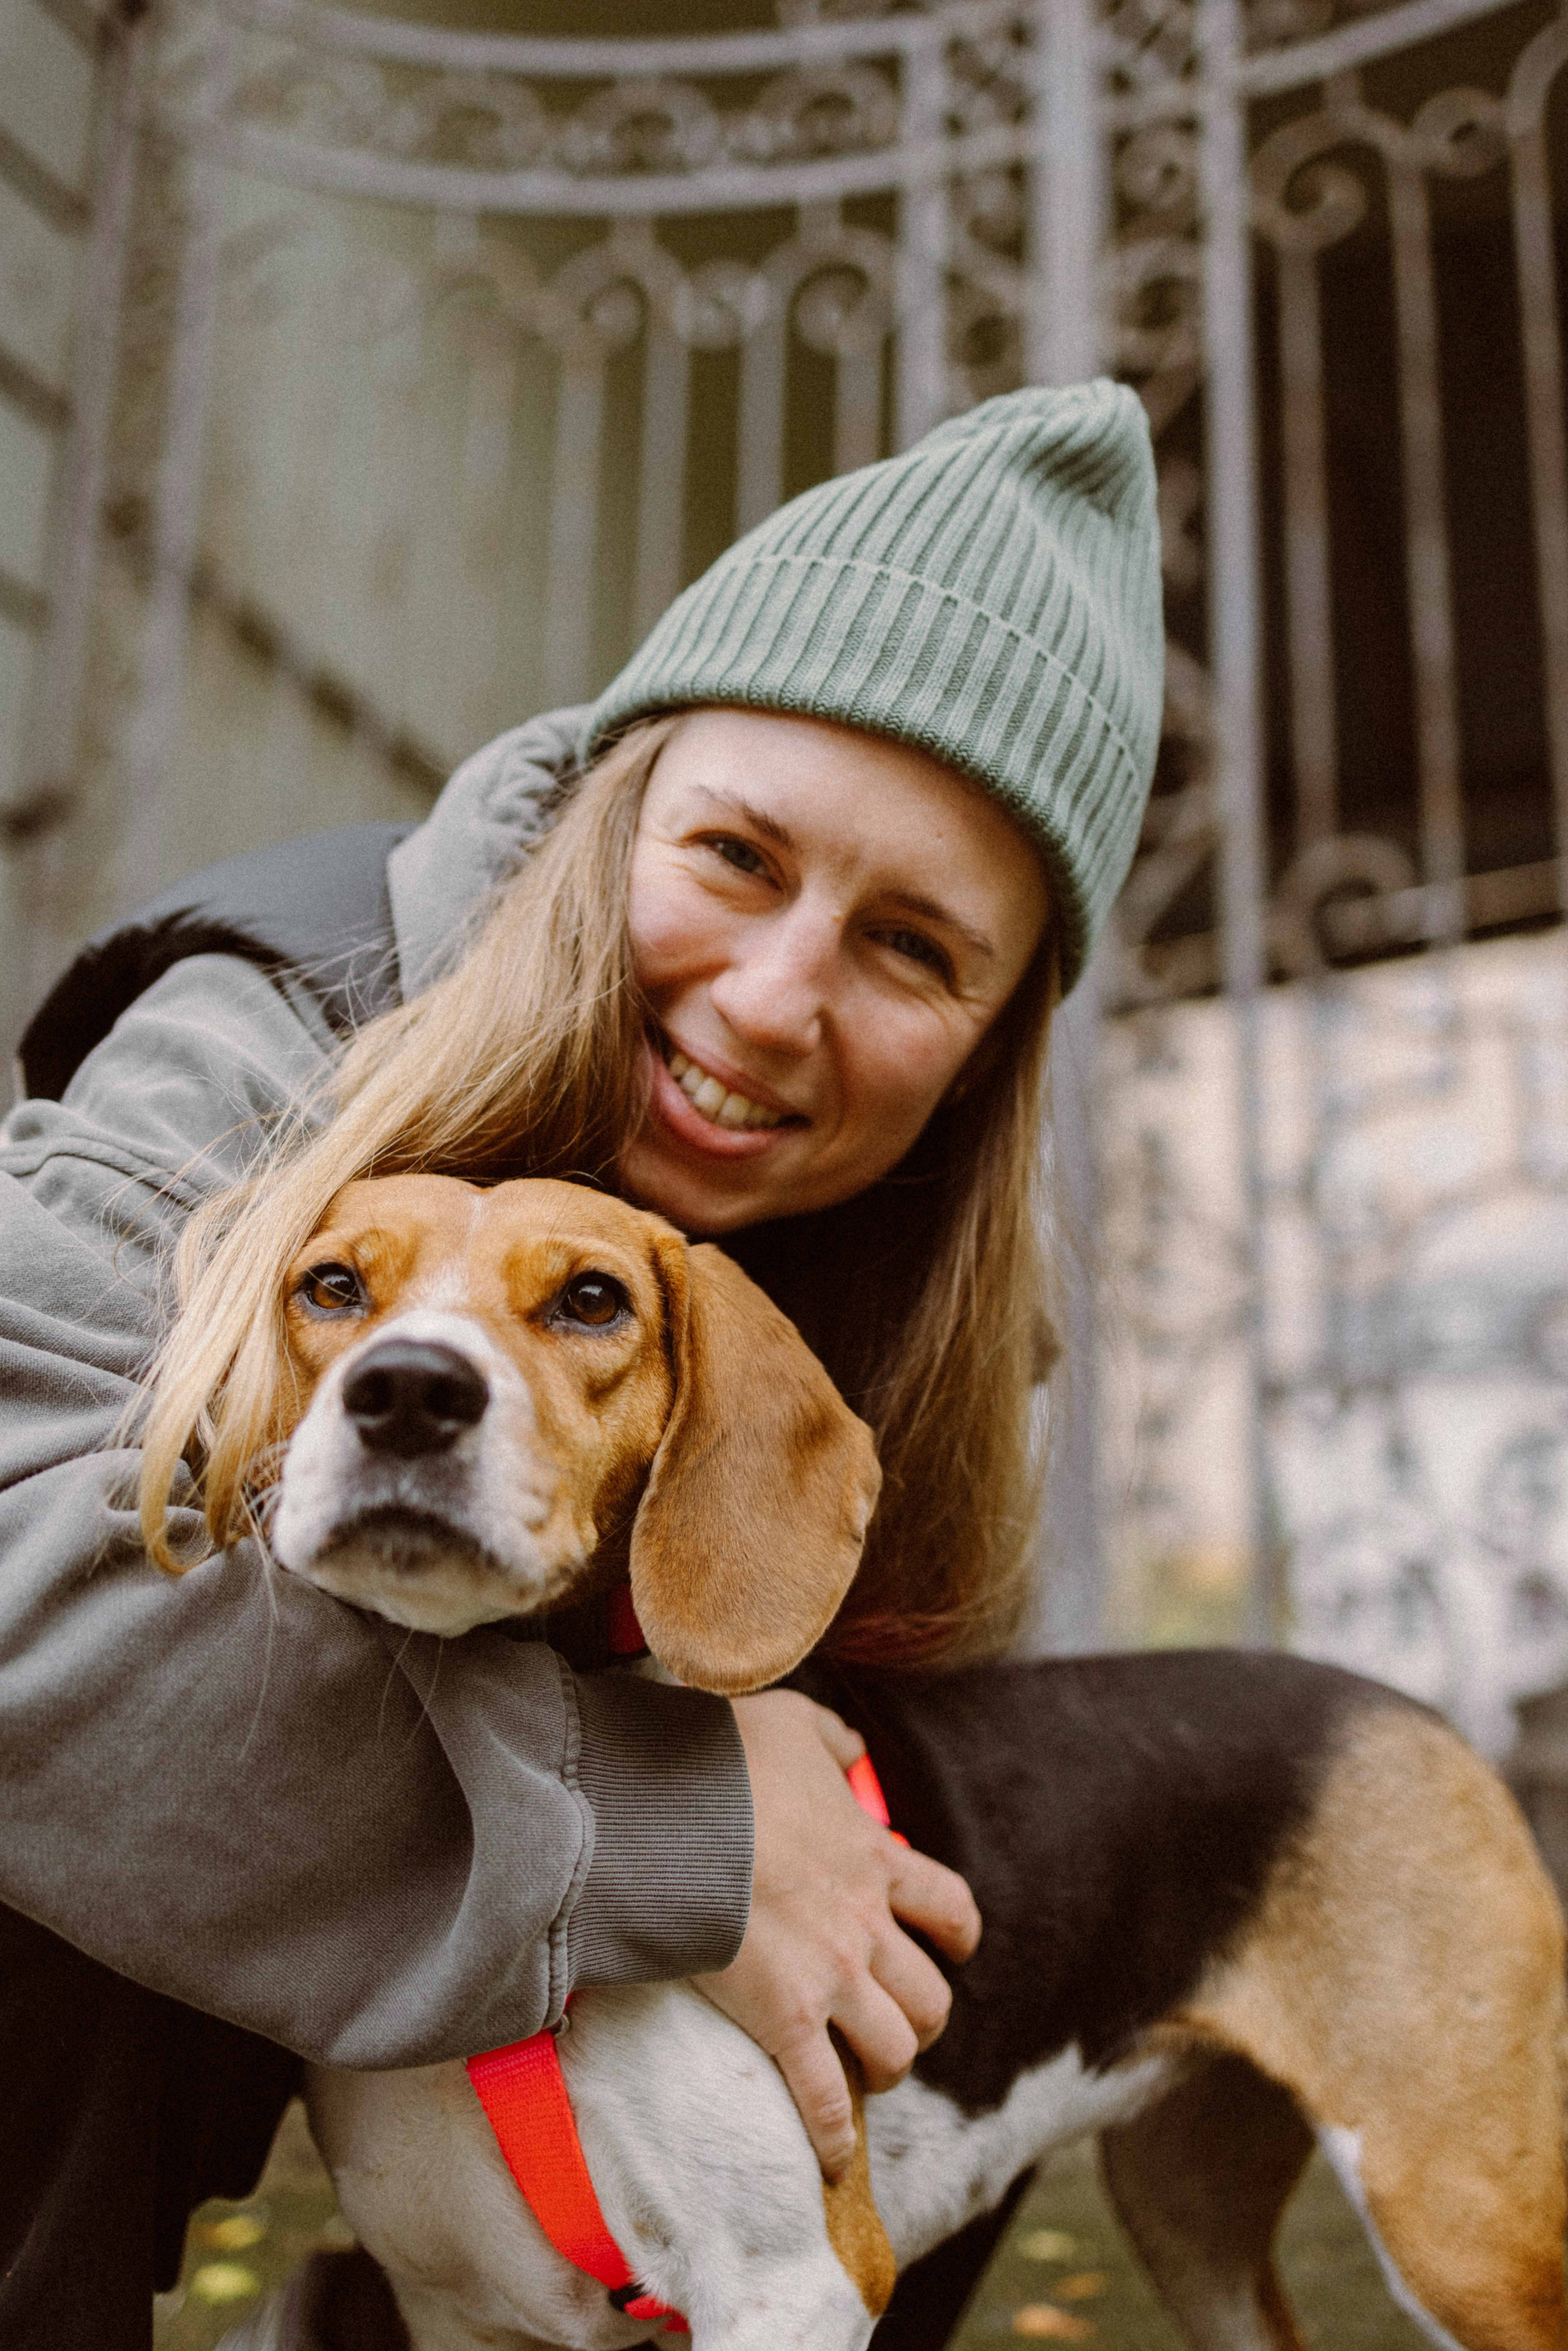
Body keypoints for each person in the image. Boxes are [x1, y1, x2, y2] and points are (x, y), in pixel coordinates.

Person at [0, 382, 1163, 2350]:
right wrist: (685, 1836)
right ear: (612, 807)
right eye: (733, 856)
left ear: (992, 1040)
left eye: (911, 949)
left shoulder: (924, 1313)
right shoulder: (259, 1042)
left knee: (923, 1877)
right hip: (109, 2026)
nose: (776, 1001)